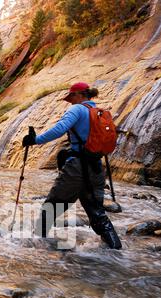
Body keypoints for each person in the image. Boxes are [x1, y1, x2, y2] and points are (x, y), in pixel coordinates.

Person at [22, 82, 122, 250]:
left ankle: (36, 247)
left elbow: (60, 129)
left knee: (51, 206)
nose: (70, 102)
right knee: (97, 213)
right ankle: (117, 252)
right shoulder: (99, 113)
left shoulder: (77, 110)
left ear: (80, 95)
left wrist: (35, 140)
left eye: (71, 97)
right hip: (96, 168)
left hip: (76, 168)